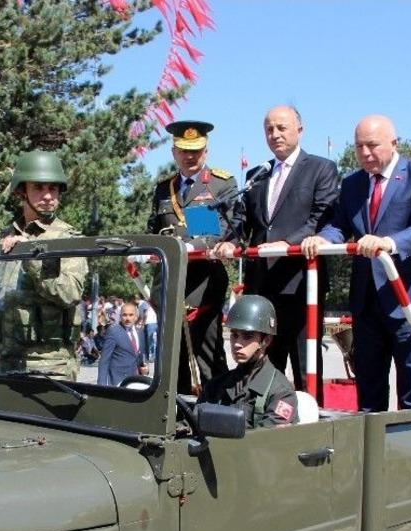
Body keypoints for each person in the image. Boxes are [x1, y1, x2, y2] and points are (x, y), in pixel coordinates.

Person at [301, 114, 411, 411]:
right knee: (369, 391)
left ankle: (410, 454)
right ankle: (371, 455)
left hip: (409, 300)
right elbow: (339, 223)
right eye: (358, 147)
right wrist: (324, 238)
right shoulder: (352, 184)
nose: (365, 153)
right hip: (366, 301)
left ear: (394, 143)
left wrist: (388, 244)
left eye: (372, 145)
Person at [215, 106, 339, 403]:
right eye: (269, 129)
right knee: (263, 367)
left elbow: (321, 219)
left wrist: (287, 244)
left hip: (300, 284)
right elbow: (246, 223)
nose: (275, 134)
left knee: (305, 364)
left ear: (300, 129)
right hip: (263, 288)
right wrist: (229, 242)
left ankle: (310, 427)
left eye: (282, 127)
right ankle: (262, 422)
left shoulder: (321, 169)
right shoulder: (257, 174)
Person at [0, 150, 86, 379]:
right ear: (21, 191)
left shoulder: (67, 239)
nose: (48, 196)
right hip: (4, 362)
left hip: (50, 367)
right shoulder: (2, 239)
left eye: (53, 188)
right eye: (39, 188)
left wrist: (32, 258)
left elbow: (71, 292)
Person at [148, 119, 241, 393]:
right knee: (171, 361)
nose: (190, 157)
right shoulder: (164, 188)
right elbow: (154, 230)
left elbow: (216, 232)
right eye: (184, 150)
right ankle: (174, 416)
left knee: (207, 357)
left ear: (206, 151)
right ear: (174, 152)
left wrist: (186, 247)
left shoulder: (218, 184)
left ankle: (217, 412)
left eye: (196, 151)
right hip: (169, 284)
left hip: (203, 286)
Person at [199, 295, 299, 428]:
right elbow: (194, 421)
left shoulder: (281, 392)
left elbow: (267, 440)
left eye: (247, 336)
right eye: (234, 335)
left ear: (266, 341)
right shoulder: (217, 385)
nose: (237, 344)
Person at [97, 302, 148, 386]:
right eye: (124, 315)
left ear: (136, 317)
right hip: (119, 382)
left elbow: (140, 357)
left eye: (131, 315)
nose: (127, 318)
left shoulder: (140, 333)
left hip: (136, 382)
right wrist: (101, 386)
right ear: (120, 316)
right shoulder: (113, 331)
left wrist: (145, 369)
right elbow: (104, 360)